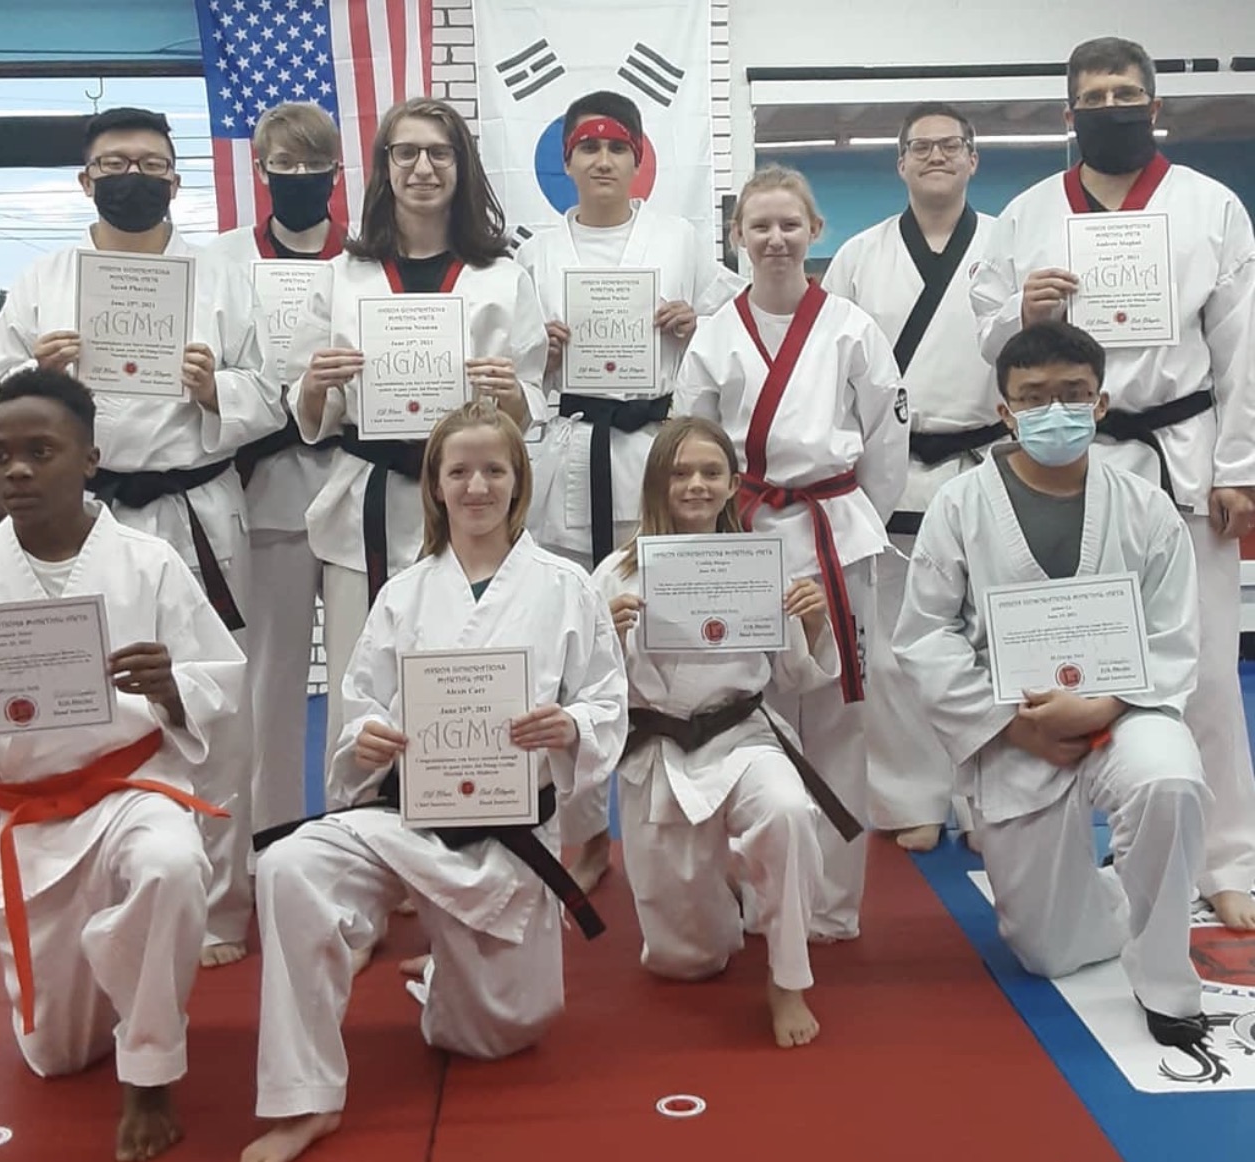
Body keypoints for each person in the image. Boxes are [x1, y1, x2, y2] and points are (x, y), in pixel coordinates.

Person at [237, 399, 626, 1162]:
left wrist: (572, 725)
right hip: (409, 819)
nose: (477, 485)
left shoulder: (567, 587)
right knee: (289, 865)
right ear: (436, 486)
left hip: (510, 834)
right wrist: (366, 739)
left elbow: (607, 700)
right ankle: (306, 1094)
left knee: (498, 1034)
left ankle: (448, 976)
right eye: (460, 471)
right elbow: (360, 708)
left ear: (518, 482)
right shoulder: (404, 593)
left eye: (494, 470)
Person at [0, 106, 281, 966]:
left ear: (176, 179)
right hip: (83, 518)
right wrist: (39, 377)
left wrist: (216, 390)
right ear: (85, 180)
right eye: (112, 164)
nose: (130, 176)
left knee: (213, 699)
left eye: (148, 163)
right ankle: (92, 880)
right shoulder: (46, 277)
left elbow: (272, 391)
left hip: (195, 509)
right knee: (86, 694)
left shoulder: (220, 276)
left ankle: (219, 903)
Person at [971, 36, 1255, 930]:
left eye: (1125, 93)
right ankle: (1070, 839)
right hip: (1065, 460)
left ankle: (1227, 856)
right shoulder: (1026, 214)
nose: (1111, 107)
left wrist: (1241, 468)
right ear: (1069, 114)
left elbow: (1242, 346)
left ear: (1154, 105)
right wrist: (1022, 312)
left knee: (1205, 667)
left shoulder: (1210, 206)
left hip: (1181, 453)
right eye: (1093, 97)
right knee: (1063, 656)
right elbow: (985, 332)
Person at [0, 369, 246, 1161]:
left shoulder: (148, 563)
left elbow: (222, 674)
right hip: (27, 811)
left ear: (90, 458)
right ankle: (114, 977)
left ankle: (150, 1069)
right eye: (0, 454)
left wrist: (172, 686)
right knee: (58, 1054)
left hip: (128, 789)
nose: (16, 470)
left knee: (172, 863)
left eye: (40, 452)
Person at [894, 321, 1209, 1048]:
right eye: (1034, 397)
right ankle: (1117, 887)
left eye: (1073, 393)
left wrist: (1107, 703)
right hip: (1016, 721)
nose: (1055, 410)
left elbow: (1171, 632)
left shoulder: (1145, 505)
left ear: (1101, 404)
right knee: (1048, 951)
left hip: (1124, 711)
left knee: (1170, 781)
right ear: (1005, 412)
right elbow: (925, 635)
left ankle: (1167, 979)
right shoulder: (960, 505)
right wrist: (1012, 723)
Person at [518, 89, 744, 893]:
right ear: (567, 160)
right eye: (588, 147)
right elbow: (517, 372)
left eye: (618, 147)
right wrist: (541, 351)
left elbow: (732, 334)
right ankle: (580, 830)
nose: (603, 160)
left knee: (665, 641)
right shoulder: (536, 253)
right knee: (571, 655)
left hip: (655, 455)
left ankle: (691, 813)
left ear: (639, 158)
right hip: (571, 454)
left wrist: (695, 325)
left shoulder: (678, 240)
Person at [676, 166, 907, 940]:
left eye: (789, 224)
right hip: (742, 534)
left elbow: (887, 442)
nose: (775, 239)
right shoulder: (715, 334)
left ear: (815, 231)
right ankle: (762, 896)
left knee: (840, 720)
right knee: (753, 715)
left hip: (833, 531)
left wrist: (854, 515)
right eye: (760, 226)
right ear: (737, 237)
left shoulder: (851, 328)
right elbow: (691, 442)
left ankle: (831, 905)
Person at [286, 97, 548, 768]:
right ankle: (359, 811)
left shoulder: (503, 277)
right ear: (384, 167)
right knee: (359, 681)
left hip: (473, 503)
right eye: (405, 152)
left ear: (462, 166)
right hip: (367, 503)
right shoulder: (343, 275)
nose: (422, 168)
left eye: (439, 152)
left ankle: (480, 802)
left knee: (470, 674)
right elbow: (307, 405)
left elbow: (531, 404)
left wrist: (511, 393)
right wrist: (317, 383)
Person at [593, 416, 857, 1047]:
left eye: (711, 472)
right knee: (689, 961)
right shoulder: (614, 575)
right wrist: (607, 634)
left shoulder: (759, 565)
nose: (696, 485)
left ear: (733, 484)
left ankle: (788, 979)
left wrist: (813, 624)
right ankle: (733, 883)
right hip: (659, 748)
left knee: (789, 812)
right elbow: (588, 691)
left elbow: (794, 676)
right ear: (655, 483)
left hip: (742, 736)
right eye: (680, 472)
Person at [823, 102, 1000, 853]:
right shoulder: (859, 255)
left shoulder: (1006, 245)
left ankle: (985, 797)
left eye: (949, 145)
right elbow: (830, 361)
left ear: (972, 159)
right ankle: (910, 796)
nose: (935, 156)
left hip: (985, 461)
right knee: (895, 642)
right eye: (919, 147)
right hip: (890, 468)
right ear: (899, 163)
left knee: (985, 637)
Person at [207, 102, 346, 836]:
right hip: (266, 487)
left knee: (356, 677)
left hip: (354, 483)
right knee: (270, 677)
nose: (299, 176)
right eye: (283, 164)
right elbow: (217, 365)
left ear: (336, 172)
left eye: (313, 164)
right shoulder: (224, 260)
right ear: (260, 170)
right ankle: (269, 837)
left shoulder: (366, 255)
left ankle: (357, 835)